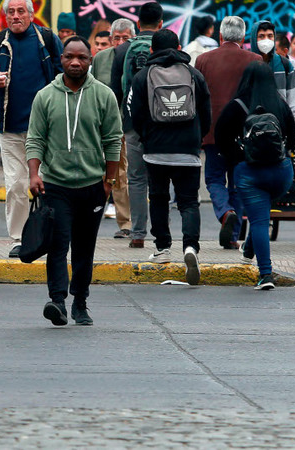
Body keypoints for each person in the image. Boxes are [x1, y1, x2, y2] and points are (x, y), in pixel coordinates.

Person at [27, 36, 122, 326]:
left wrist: (109, 181)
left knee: (84, 247)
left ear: (90, 60)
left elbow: (113, 141)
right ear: (62, 59)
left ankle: (80, 301)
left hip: (93, 186)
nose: (75, 62)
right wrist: (34, 174)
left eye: (81, 57)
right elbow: (35, 139)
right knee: (57, 245)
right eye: (70, 57)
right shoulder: (45, 96)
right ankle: (57, 301)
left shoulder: (104, 95)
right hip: (56, 186)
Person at [127, 29, 211, 285]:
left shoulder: (143, 76)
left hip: (156, 150)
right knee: (189, 202)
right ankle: (190, 248)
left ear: (152, 50)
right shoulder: (194, 74)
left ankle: (163, 248)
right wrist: (197, 137)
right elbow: (205, 111)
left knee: (159, 198)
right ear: (179, 46)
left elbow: (135, 113)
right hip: (188, 149)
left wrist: (147, 137)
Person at [0, 0, 63, 258]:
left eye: (21, 11)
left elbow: (63, 76)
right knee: (15, 185)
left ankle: (50, 237)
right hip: (8, 129)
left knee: (48, 183)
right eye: (11, 11)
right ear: (5, 16)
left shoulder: (47, 40)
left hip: (44, 130)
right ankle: (18, 239)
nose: (16, 16)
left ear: (31, 15)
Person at [216, 62, 295, 289]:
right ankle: (249, 250)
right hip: (281, 174)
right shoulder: (280, 104)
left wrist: (239, 157)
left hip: (250, 174)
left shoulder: (238, 106)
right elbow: (291, 137)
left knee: (259, 221)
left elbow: (221, 139)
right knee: (260, 215)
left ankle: (266, 275)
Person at [196, 16, 262, 250]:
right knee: (239, 182)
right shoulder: (255, 60)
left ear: (220, 36)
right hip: (244, 133)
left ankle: (225, 212)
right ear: (244, 37)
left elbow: (198, 97)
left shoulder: (203, 60)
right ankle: (233, 236)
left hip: (213, 132)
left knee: (214, 178)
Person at [110, 1, 164, 249]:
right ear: (160, 23)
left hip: (131, 125)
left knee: (136, 178)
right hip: (162, 125)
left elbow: (114, 94)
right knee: (161, 179)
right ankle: (162, 235)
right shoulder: (166, 47)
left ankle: (138, 234)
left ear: (138, 24)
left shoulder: (121, 52)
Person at [90, 17, 134, 239]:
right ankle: (99, 221)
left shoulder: (136, 57)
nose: (120, 42)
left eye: (125, 38)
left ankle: (127, 223)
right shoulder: (101, 59)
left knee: (124, 174)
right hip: (103, 125)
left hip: (128, 126)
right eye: (116, 38)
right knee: (103, 174)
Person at [250, 21, 295, 129]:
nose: (266, 40)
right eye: (261, 36)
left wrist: (294, 127)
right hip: (251, 128)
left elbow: (294, 99)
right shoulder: (247, 64)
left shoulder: (284, 64)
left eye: (270, 36)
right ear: (253, 38)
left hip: (280, 128)